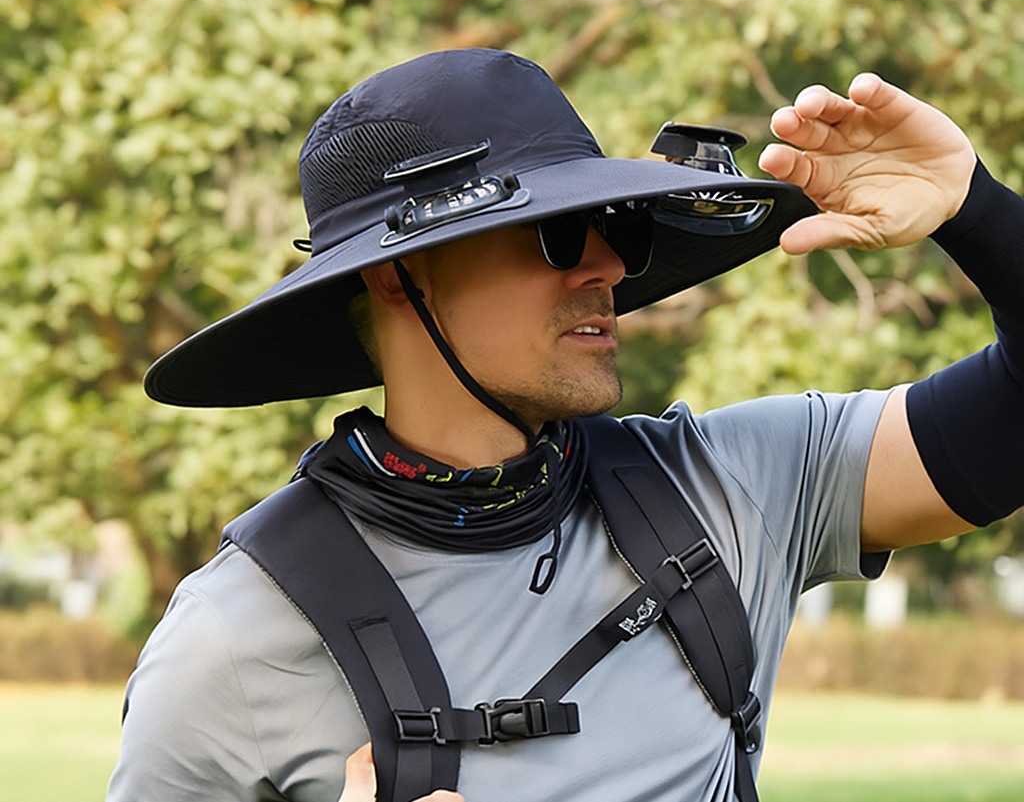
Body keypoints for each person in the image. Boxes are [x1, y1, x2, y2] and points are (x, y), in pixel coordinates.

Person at [107, 48, 1023, 802]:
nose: (608, 270)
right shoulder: (228, 644)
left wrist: (978, 211)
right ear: (398, 277)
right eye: (553, 233)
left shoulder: (731, 488)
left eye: (612, 227)